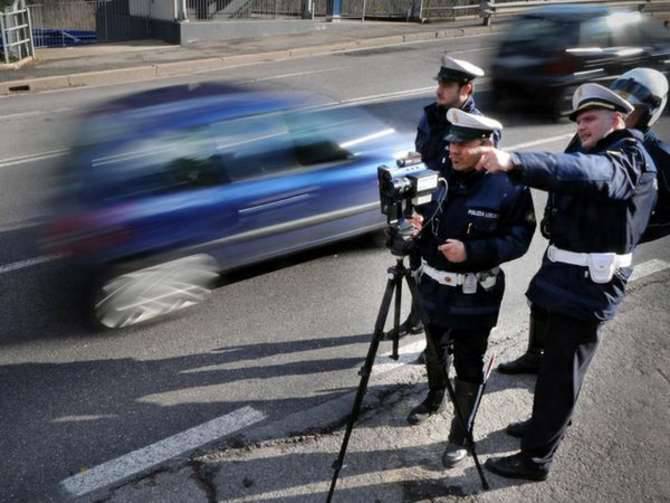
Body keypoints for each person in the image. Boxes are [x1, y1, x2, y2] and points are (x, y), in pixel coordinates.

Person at [479, 83, 657, 480]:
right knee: (556, 369)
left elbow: (590, 174)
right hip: (567, 279)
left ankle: (535, 459)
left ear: (617, 119)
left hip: (587, 286)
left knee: (561, 373)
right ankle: (548, 424)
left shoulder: (624, 157)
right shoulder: (596, 150)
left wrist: (513, 161)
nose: (581, 126)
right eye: (578, 121)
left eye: (589, 118)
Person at [497, 67, 670, 376]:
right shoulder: (596, 136)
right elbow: (566, 171)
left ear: (649, 114)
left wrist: (635, 230)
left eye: (635, 109)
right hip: (567, 238)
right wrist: (552, 214)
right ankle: (535, 354)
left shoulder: (651, 151)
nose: (626, 113)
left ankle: (557, 385)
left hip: (598, 254)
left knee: (575, 323)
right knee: (540, 298)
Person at [407, 109, 535, 469]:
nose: (453, 150)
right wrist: (413, 235)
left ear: (487, 145)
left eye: (462, 144)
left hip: (475, 294)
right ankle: (435, 398)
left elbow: (520, 239)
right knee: (434, 350)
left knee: (468, 361)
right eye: (451, 143)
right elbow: (424, 230)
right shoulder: (440, 179)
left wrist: (472, 252)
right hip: (433, 287)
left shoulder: (510, 186)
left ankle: (460, 434)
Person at [398, 53, 500, 338]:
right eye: (440, 82)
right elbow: (424, 153)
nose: (439, 89)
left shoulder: (479, 128)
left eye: (447, 84)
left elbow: (480, 176)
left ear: (466, 89)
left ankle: (445, 336)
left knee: (447, 271)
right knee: (418, 263)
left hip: (454, 210)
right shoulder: (431, 114)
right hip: (424, 201)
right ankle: (419, 315)